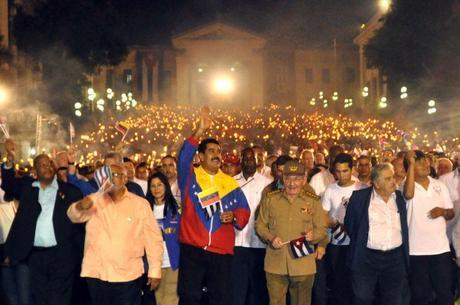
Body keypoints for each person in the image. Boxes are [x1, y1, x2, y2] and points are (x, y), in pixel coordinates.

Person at [176, 107, 250, 305]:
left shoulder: (230, 183)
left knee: (221, 298)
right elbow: (183, 157)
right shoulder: (190, 176)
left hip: (221, 252)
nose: (217, 155)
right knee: (190, 297)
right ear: (200, 156)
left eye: (219, 151)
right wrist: (199, 132)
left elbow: (244, 211)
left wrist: (234, 218)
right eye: (211, 151)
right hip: (193, 250)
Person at [67, 163, 163, 305]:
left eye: (115, 175)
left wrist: (154, 271)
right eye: (107, 175)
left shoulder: (140, 204)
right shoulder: (95, 199)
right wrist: (80, 206)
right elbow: (73, 216)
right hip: (97, 273)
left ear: (125, 179)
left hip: (128, 275)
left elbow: (153, 239)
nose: (110, 178)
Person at [4, 154, 83, 305]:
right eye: (42, 165)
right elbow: (7, 184)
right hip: (35, 256)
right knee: (40, 298)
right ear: (35, 170)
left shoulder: (70, 192)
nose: (47, 167)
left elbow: (79, 227)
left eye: (49, 164)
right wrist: (9, 162)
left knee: (58, 299)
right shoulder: (27, 188)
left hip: (62, 256)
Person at [256, 160, 327, 305]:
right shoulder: (271, 199)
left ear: (304, 179)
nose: (292, 183)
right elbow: (260, 225)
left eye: (297, 179)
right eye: (288, 178)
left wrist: (314, 236)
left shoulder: (313, 201)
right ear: (283, 178)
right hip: (276, 263)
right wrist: (271, 237)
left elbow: (322, 228)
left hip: (303, 265)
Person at [344, 163, 409, 305]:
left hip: (395, 259)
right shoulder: (359, 198)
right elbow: (350, 225)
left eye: (392, 177)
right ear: (377, 184)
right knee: (362, 298)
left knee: (394, 300)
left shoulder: (399, 198)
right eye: (388, 179)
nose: (393, 181)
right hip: (367, 258)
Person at [403, 150, 454, 305]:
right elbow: (408, 195)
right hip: (416, 251)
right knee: (421, 296)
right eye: (419, 162)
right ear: (410, 167)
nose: (425, 164)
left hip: (440, 249)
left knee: (445, 294)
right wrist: (410, 163)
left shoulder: (439, 185)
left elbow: (451, 212)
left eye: (426, 160)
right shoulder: (403, 186)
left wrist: (442, 211)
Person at [321, 153, 366, 305]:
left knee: (358, 284)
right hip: (337, 243)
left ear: (352, 169)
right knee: (339, 283)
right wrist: (333, 224)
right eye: (338, 171)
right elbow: (323, 215)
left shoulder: (362, 188)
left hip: (358, 244)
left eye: (345, 171)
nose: (341, 175)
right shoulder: (330, 190)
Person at [232, 147, 272, 305]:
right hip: (237, 243)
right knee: (237, 291)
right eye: (246, 158)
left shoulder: (267, 184)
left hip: (258, 244)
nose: (249, 161)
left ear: (257, 161)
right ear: (241, 161)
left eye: (252, 158)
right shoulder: (232, 183)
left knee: (257, 291)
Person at [146, 172, 181, 305]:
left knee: (170, 301)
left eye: (160, 185)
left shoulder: (177, 207)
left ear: (166, 186)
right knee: (159, 301)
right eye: (153, 186)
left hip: (173, 263)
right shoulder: (145, 208)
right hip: (154, 264)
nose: (156, 189)